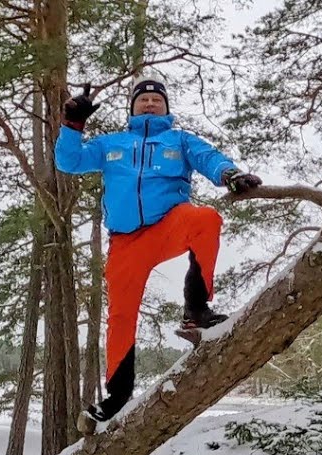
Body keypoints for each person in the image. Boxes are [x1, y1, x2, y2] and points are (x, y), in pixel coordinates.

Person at [55, 78, 262, 431]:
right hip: (125, 242)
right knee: (120, 317)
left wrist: (229, 175)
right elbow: (69, 161)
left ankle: (196, 310)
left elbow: (208, 158)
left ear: (166, 107)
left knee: (206, 219)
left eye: (156, 99)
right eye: (143, 100)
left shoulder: (179, 140)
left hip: (168, 224)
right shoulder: (111, 144)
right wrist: (73, 124)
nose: (150, 104)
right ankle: (116, 399)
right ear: (132, 108)